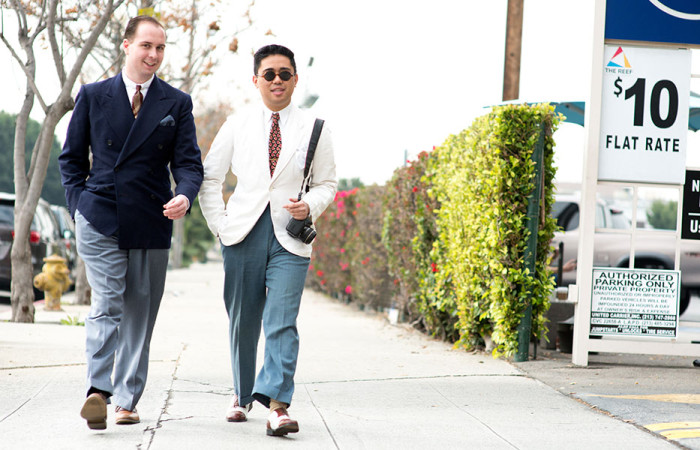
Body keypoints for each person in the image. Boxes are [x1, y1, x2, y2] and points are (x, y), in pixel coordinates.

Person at [58, 15, 203, 430]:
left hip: (153, 217)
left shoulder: (177, 102)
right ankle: (98, 390)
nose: (153, 55)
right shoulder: (93, 94)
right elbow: (71, 160)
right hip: (100, 215)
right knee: (107, 303)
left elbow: (189, 164)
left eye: (160, 48)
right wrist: (78, 206)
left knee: (140, 313)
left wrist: (184, 194)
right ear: (126, 45)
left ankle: (126, 400)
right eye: (146, 46)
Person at [199, 44, 337, 437]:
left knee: (281, 321)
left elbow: (327, 183)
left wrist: (309, 205)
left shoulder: (315, 127)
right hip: (242, 233)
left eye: (285, 74)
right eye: (270, 74)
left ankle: (278, 406)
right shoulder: (236, 124)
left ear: (295, 79)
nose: (278, 80)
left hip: (290, 237)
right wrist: (220, 226)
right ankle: (242, 394)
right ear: (256, 80)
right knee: (243, 321)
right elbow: (211, 178)